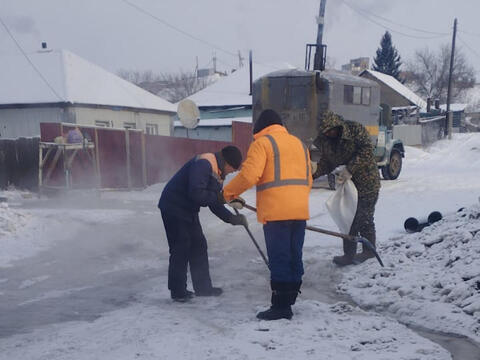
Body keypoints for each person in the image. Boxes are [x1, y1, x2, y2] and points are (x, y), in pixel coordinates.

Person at [221, 109, 312, 320]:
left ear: (260, 128)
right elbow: (308, 178)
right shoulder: (299, 144)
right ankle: (290, 299)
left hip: (276, 211)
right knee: (293, 255)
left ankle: (280, 307)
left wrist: (228, 192)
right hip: (299, 211)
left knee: (279, 257)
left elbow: (250, 175)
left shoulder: (262, 144)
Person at [158, 145, 247, 302]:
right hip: (173, 206)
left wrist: (231, 219)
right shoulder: (204, 164)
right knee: (181, 247)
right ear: (226, 162)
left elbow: (214, 202)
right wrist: (220, 198)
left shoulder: (217, 172)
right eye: (232, 169)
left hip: (188, 210)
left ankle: (203, 288)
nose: (232, 172)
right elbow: (197, 194)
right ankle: (178, 291)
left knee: (199, 245)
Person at [312, 111, 381, 266]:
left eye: (331, 130)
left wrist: (350, 169)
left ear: (338, 126)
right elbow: (327, 162)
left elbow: (366, 150)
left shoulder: (355, 130)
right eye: (326, 132)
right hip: (348, 187)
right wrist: (312, 174)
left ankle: (369, 251)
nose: (329, 133)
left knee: (364, 218)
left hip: (367, 183)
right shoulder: (326, 141)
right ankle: (348, 255)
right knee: (348, 220)